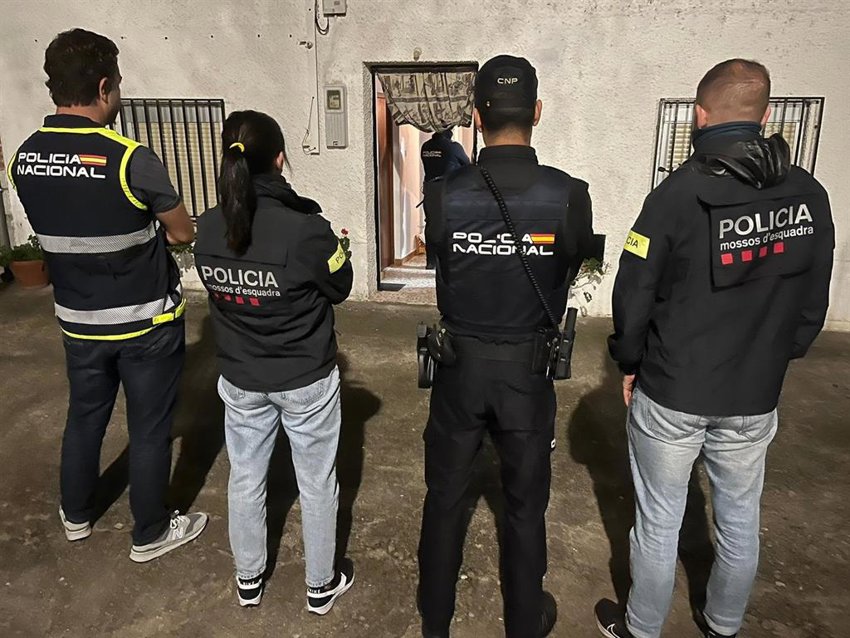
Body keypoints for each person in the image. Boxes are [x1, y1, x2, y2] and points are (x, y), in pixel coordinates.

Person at [596, 59, 835, 638]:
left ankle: (641, 628)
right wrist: (778, 356)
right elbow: (814, 297)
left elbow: (634, 291)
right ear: (766, 115)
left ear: (701, 116)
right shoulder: (809, 195)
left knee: (658, 521)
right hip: (755, 392)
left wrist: (630, 361)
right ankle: (724, 625)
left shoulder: (675, 196)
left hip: (673, 389)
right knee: (739, 517)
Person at [6, 28, 207, 562]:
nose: (118, 93)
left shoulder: (23, 158)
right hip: (145, 324)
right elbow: (183, 232)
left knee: (85, 417)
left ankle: (76, 515)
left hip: (77, 320)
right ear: (102, 87)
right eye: (117, 83)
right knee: (150, 428)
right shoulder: (130, 158)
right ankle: (150, 532)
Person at [418, 55, 595, 638]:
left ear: (476, 116)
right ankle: (524, 622)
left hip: (458, 371)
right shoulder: (569, 195)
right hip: (527, 375)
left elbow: (443, 259)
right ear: (537, 112)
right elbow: (573, 263)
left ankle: (435, 623)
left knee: (445, 500)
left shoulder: (443, 195)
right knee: (524, 509)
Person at [193, 110, 355, 611]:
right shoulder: (306, 229)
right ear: (280, 160)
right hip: (305, 377)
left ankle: (248, 579)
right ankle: (320, 585)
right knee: (317, 482)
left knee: (245, 475)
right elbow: (341, 285)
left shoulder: (208, 227)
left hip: (241, 376)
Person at [420, 128, 471, 269]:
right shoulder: (453, 147)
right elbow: (467, 165)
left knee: (430, 223)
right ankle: (448, 260)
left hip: (430, 188)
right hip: (447, 189)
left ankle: (431, 261)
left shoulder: (426, 146)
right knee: (448, 223)